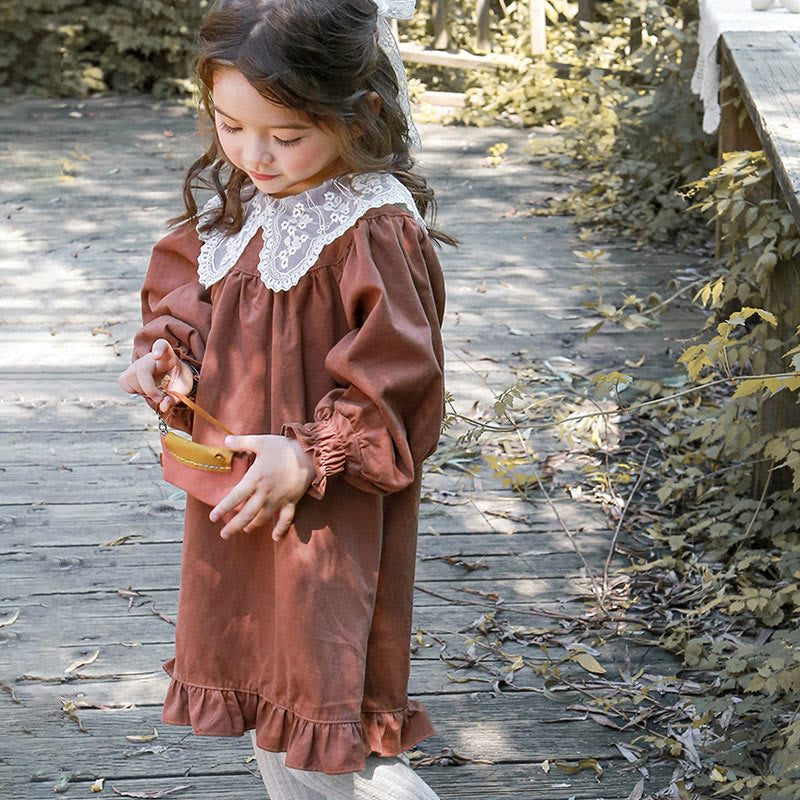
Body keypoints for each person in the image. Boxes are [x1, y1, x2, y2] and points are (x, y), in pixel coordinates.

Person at [117, 1, 454, 798]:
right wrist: (168, 360)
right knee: (275, 700)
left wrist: (310, 453)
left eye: (286, 135)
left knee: (328, 701)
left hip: (327, 513)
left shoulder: (370, 227)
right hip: (239, 498)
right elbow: (190, 306)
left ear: (361, 113)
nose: (253, 155)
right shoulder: (241, 201)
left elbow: (399, 383)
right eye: (230, 127)